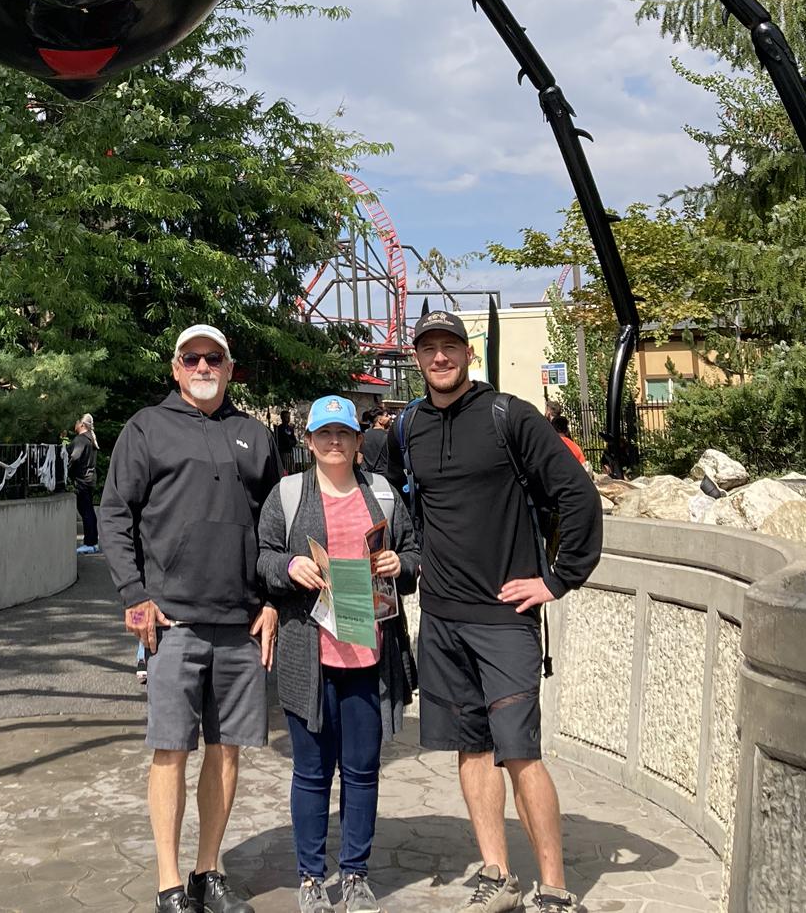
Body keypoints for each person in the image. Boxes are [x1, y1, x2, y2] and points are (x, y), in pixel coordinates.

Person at [397, 310, 602, 913]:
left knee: (521, 753)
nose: (440, 357)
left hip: (504, 618)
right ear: (416, 358)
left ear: (468, 354)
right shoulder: (407, 426)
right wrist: (409, 562)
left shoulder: (508, 415)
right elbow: (394, 505)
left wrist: (557, 581)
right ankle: (496, 875)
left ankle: (556, 889)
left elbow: (577, 494)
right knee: (472, 749)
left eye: (450, 347)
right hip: (440, 617)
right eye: (429, 348)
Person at [99, 324, 282, 913]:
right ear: (176, 369)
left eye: (215, 358)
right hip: (171, 622)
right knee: (171, 751)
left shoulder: (255, 435)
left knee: (227, 750)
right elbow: (114, 515)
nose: (203, 366)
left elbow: (277, 526)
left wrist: (274, 599)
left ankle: (208, 870)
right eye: (192, 358)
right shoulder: (146, 429)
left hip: (241, 623)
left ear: (230, 369)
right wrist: (134, 593)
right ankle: (169, 882)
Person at [257, 395, 419, 913]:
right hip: (311, 652)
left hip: (369, 656)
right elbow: (260, 557)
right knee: (310, 771)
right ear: (309, 441)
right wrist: (287, 569)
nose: (334, 442)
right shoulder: (286, 495)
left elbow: (416, 553)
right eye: (324, 434)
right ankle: (310, 878)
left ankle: (354, 874)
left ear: (356, 440)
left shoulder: (383, 495)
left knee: (362, 769)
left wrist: (401, 563)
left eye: (343, 434)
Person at [70, 413, 101, 554]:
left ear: (82, 424)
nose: (74, 424)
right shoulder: (91, 439)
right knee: (89, 511)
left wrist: (67, 470)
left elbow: (74, 458)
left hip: (81, 480)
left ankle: (89, 543)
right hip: (90, 480)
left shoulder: (81, 440)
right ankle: (93, 542)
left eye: (77, 422)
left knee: (86, 512)